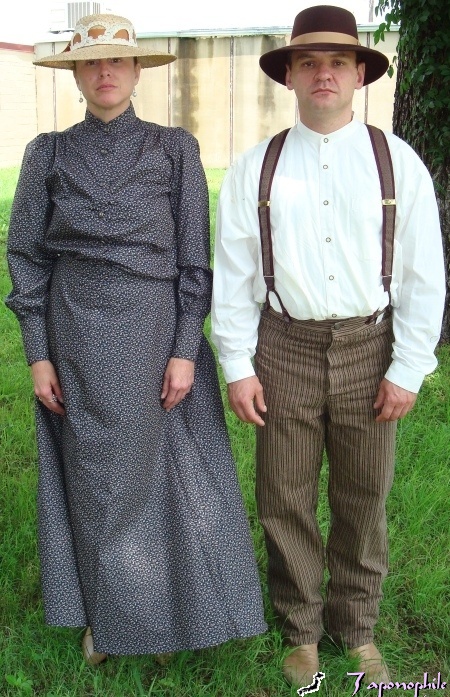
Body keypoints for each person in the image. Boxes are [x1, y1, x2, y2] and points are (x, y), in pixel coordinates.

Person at [5, 13, 266, 666]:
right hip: (75, 335)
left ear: (137, 70)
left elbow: (194, 260)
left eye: (116, 61)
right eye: (91, 62)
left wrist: (185, 346)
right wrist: (38, 351)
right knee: (93, 482)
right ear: (76, 74)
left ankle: (174, 609)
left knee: (169, 479)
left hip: (154, 335)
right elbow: (26, 257)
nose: (104, 72)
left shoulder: (175, 147)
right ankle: (105, 617)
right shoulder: (47, 154)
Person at [211, 4, 445, 687]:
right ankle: (300, 628)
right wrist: (235, 364)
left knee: (364, 494)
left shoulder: (398, 164)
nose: (323, 73)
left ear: (358, 75)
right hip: (281, 344)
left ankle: (358, 628)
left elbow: (425, 275)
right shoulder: (256, 168)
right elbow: (234, 277)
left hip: (371, 348)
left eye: (337, 61)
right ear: (288, 74)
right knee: (283, 494)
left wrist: (408, 366)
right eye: (309, 61)